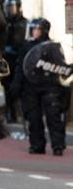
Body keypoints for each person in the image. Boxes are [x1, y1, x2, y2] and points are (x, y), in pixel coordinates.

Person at [10, 18, 69, 156]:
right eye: (33, 29)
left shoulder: (53, 47)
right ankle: (37, 145)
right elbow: (21, 67)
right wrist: (16, 84)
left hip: (49, 86)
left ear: (44, 31)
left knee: (53, 117)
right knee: (33, 117)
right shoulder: (26, 47)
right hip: (31, 87)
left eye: (36, 29)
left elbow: (60, 66)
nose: (33, 32)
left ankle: (58, 145)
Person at [1, 0, 29, 122]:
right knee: (7, 88)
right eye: (8, 8)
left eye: (12, 8)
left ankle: (25, 113)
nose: (10, 11)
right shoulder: (4, 24)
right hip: (7, 60)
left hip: (20, 60)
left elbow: (25, 42)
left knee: (22, 88)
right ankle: (10, 112)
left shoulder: (24, 23)